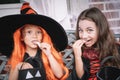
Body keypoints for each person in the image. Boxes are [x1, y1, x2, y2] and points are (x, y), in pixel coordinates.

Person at [0, 2, 69, 80]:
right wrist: (18, 66)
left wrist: (49, 54)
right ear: (21, 37)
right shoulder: (18, 56)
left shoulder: (45, 54)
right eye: (29, 32)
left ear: (43, 35)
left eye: (38, 32)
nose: (34, 36)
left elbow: (59, 75)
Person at [68, 7, 120, 80]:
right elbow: (80, 78)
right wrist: (78, 56)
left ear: (101, 29)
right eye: (80, 30)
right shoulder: (82, 49)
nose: (83, 36)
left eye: (89, 30)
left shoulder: (115, 48)